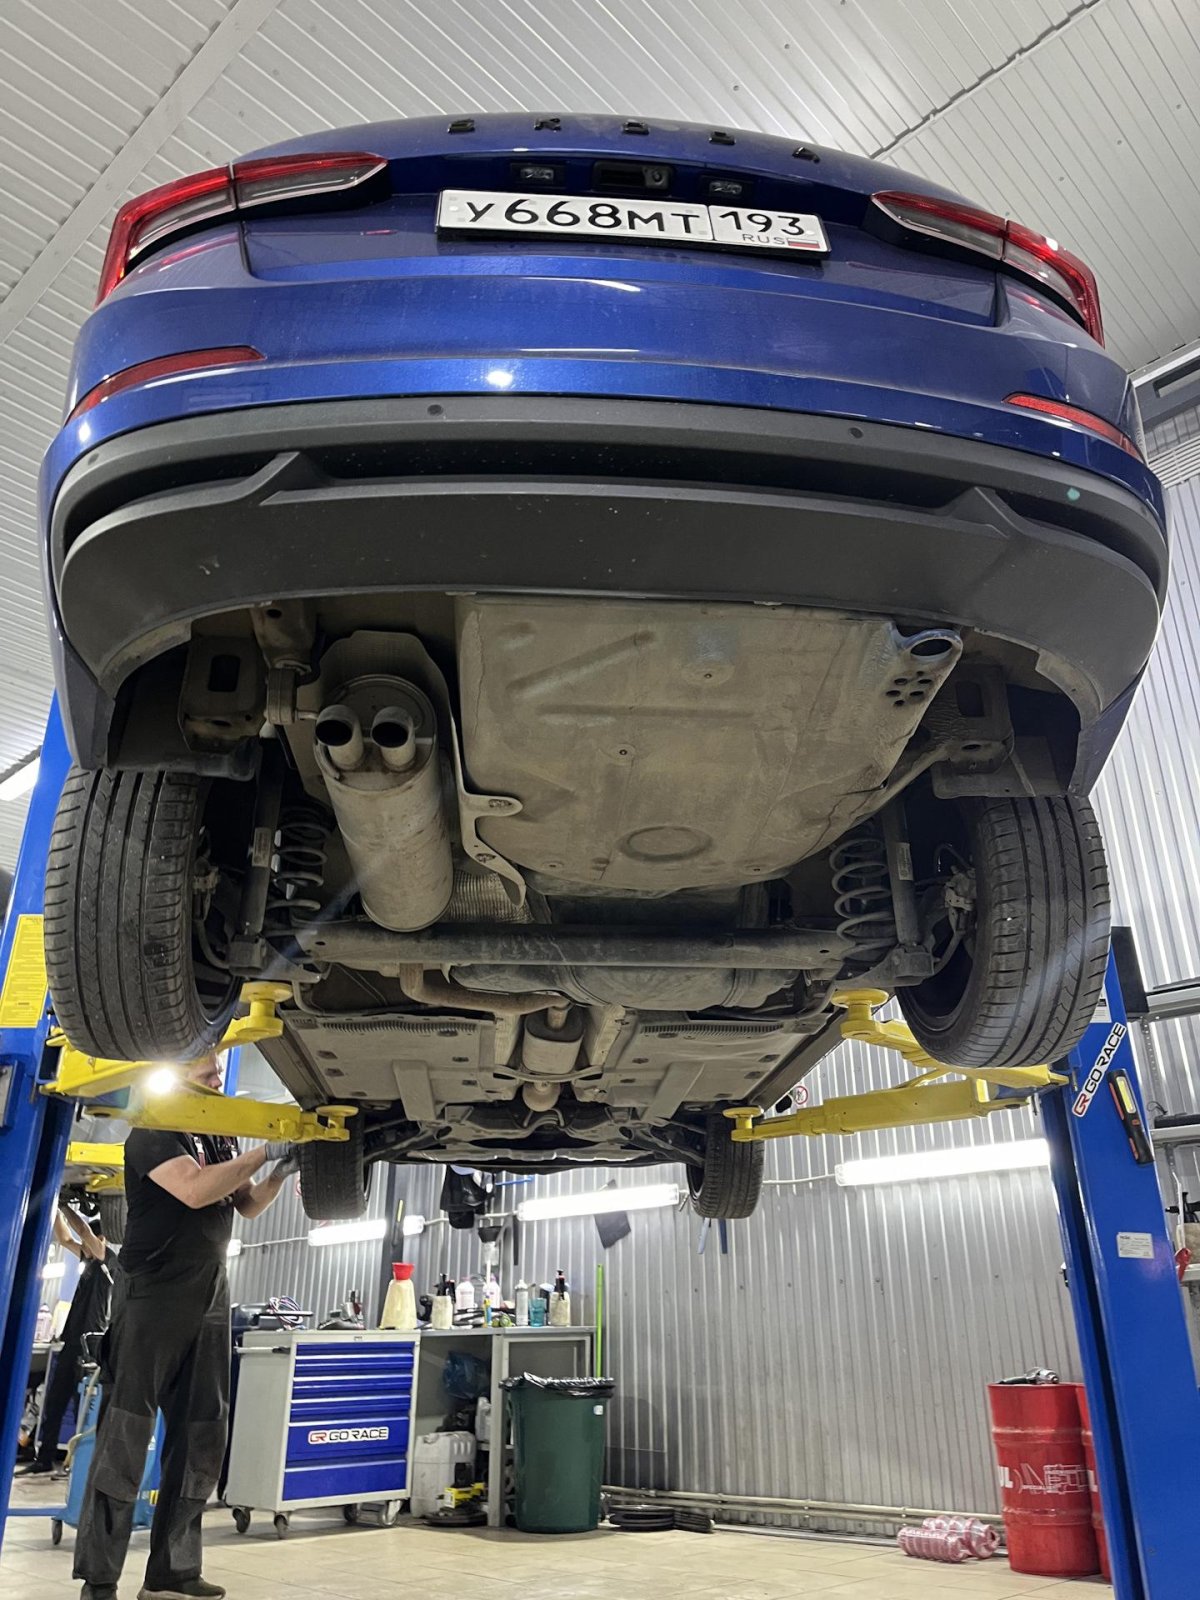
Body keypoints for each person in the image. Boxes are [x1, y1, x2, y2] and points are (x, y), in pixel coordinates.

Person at [73, 1054, 297, 1600]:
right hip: (152, 1295)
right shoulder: (152, 1130)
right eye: (205, 1070)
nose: (217, 1078)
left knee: (202, 1431)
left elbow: (246, 1205)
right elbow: (195, 1190)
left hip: (210, 1293)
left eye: (218, 1070)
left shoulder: (216, 1137)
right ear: (172, 1076)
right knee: (126, 1437)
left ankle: (172, 1573)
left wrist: (279, 1171)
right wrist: (265, 1149)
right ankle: (100, 1581)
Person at [21, 1204, 118, 1474]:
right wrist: (54, 1206)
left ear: (101, 1240)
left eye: (88, 1243)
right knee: (55, 1402)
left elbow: (83, 1231)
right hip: (71, 1342)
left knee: (82, 1408)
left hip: (89, 1346)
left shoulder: (107, 1261)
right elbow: (65, 1238)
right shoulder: (89, 1261)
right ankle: (44, 1460)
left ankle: (82, 1466)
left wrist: (66, 1206)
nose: (82, 1247)